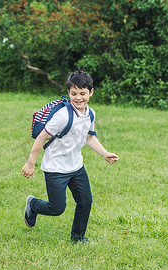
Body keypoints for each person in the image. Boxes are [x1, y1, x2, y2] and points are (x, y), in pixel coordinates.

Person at [21, 70, 119, 243]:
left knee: (85, 202)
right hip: (56, 168)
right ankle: (33, 205)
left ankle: (78, 238)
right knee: (56, 208)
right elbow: (42, 137)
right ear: (68, 93)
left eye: (83, 93)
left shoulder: (90, 113)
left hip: (76, 167)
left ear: (91, 92)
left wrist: (105, 153)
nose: (78, 98)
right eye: (74, 94)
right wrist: (30, 163)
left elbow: (89, 136)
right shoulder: (63, 116)